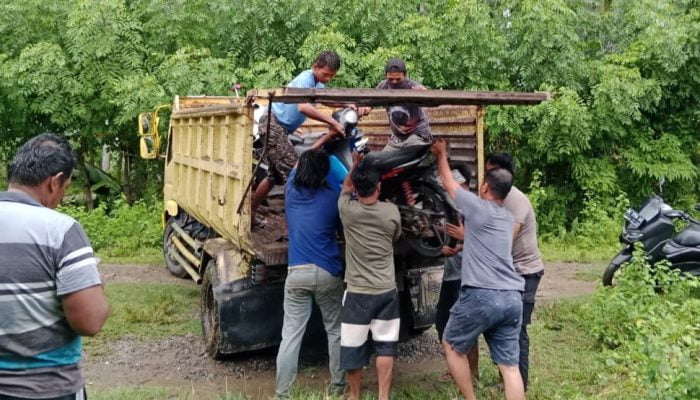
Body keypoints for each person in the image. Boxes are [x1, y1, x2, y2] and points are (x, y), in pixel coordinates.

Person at [0, 133, 109, 400]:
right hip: (47, 389)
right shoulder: (60, 231)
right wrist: (94, 285)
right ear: (54, 181)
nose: (62, 197)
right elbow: (89, 321)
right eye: (65, 188)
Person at [431, 138, 526, 400]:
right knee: (510, 367)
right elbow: (480, 242)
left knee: (451, 344)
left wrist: (441, 154)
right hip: (512, 297)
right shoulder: (506, 218)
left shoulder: (478, 208)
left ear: (485, 187)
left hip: (483, 294)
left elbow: (449, 185)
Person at [275, 149, 345, 399]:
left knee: (291, 336)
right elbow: (342, 230)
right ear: (324, 172)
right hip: (327, 272)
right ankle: (338, 388)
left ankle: (283, 393)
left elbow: (295, 167)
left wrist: (322, 141)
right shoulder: (334, 196)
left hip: (297, 274)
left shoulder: (291, 192)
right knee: (335, 330)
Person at [252, 50, 350, 220]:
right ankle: (300, 221)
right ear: (315, 67)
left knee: (273, 176)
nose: (327, 79)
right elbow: (303, 107)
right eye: (325, 74)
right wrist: (333, 122)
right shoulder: (305, 78)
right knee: (297, 173)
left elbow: (326, 100)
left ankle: (251, 213)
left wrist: (349, 103)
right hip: (272, 123)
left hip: (280, 127)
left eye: (331, 77)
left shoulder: (317, 84)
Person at [338, 155, 401, 400]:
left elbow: (344, 188)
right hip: (386, 289)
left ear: (357, 187)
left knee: (353, 346)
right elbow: (396, 237)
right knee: (386, 345)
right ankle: (382, 396)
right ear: (379, 187)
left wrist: (354, 164)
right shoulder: (391, 212)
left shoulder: (347, 210)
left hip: (357, 292)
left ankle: (355, 396)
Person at [484, 152, 544, 391]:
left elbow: (504, 243)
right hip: (507, 273)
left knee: (516, 329)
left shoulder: (516, 201)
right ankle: (507, 379)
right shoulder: (495, 197)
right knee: (498, 326)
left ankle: (521, 384)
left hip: (524, 273)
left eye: (490, 171)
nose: (485, 176)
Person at [434, 163, 479, 381]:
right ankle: (457, 368)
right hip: (451, 274)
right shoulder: (451, 205)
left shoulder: (474, 207)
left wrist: (460, 244)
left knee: (466, 324)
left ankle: (472, 372)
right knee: (442, 321)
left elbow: (482, 238)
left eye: (451, 179)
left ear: (462, 182)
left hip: (467, 276)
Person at [374, 58, 432, 151]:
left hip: (418, 134)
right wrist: (363, 107)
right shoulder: (383, 87)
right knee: (382, 161)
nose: (394, 82)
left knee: (409, 155)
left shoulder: (411, 85)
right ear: (386, 75)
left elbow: (426, 93)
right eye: (391, 79)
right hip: (398, 138)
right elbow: (370, 101)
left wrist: (422, 92)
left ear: (405, 76)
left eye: (398, 79)